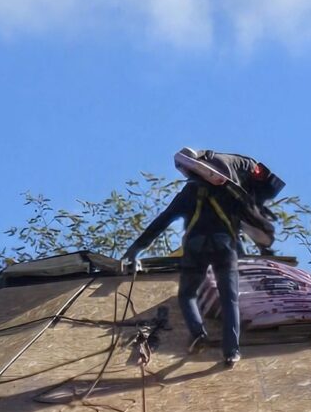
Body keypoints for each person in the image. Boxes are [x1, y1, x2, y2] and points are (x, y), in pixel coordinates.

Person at [122, 147, 284, 367]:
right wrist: (265, 247)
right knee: (230, 299)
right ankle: (231, 352)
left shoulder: (188, 193)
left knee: (187, 295)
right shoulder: (230, 192)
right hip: (225, 246)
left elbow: (162, 221)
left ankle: (198, 333)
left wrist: (135, 249)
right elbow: (251, 219)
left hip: (196, 247)